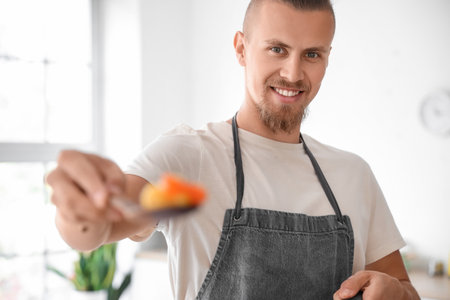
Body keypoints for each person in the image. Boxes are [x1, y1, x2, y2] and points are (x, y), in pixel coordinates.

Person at [46, 0, 420, 299]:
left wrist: (397, 295)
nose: (292, 73)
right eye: (277, 49)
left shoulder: (353, 174)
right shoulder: (189, 157)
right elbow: (105, 224)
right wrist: (80, 209)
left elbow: (405, 290)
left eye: (312, 54)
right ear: (241, 48)